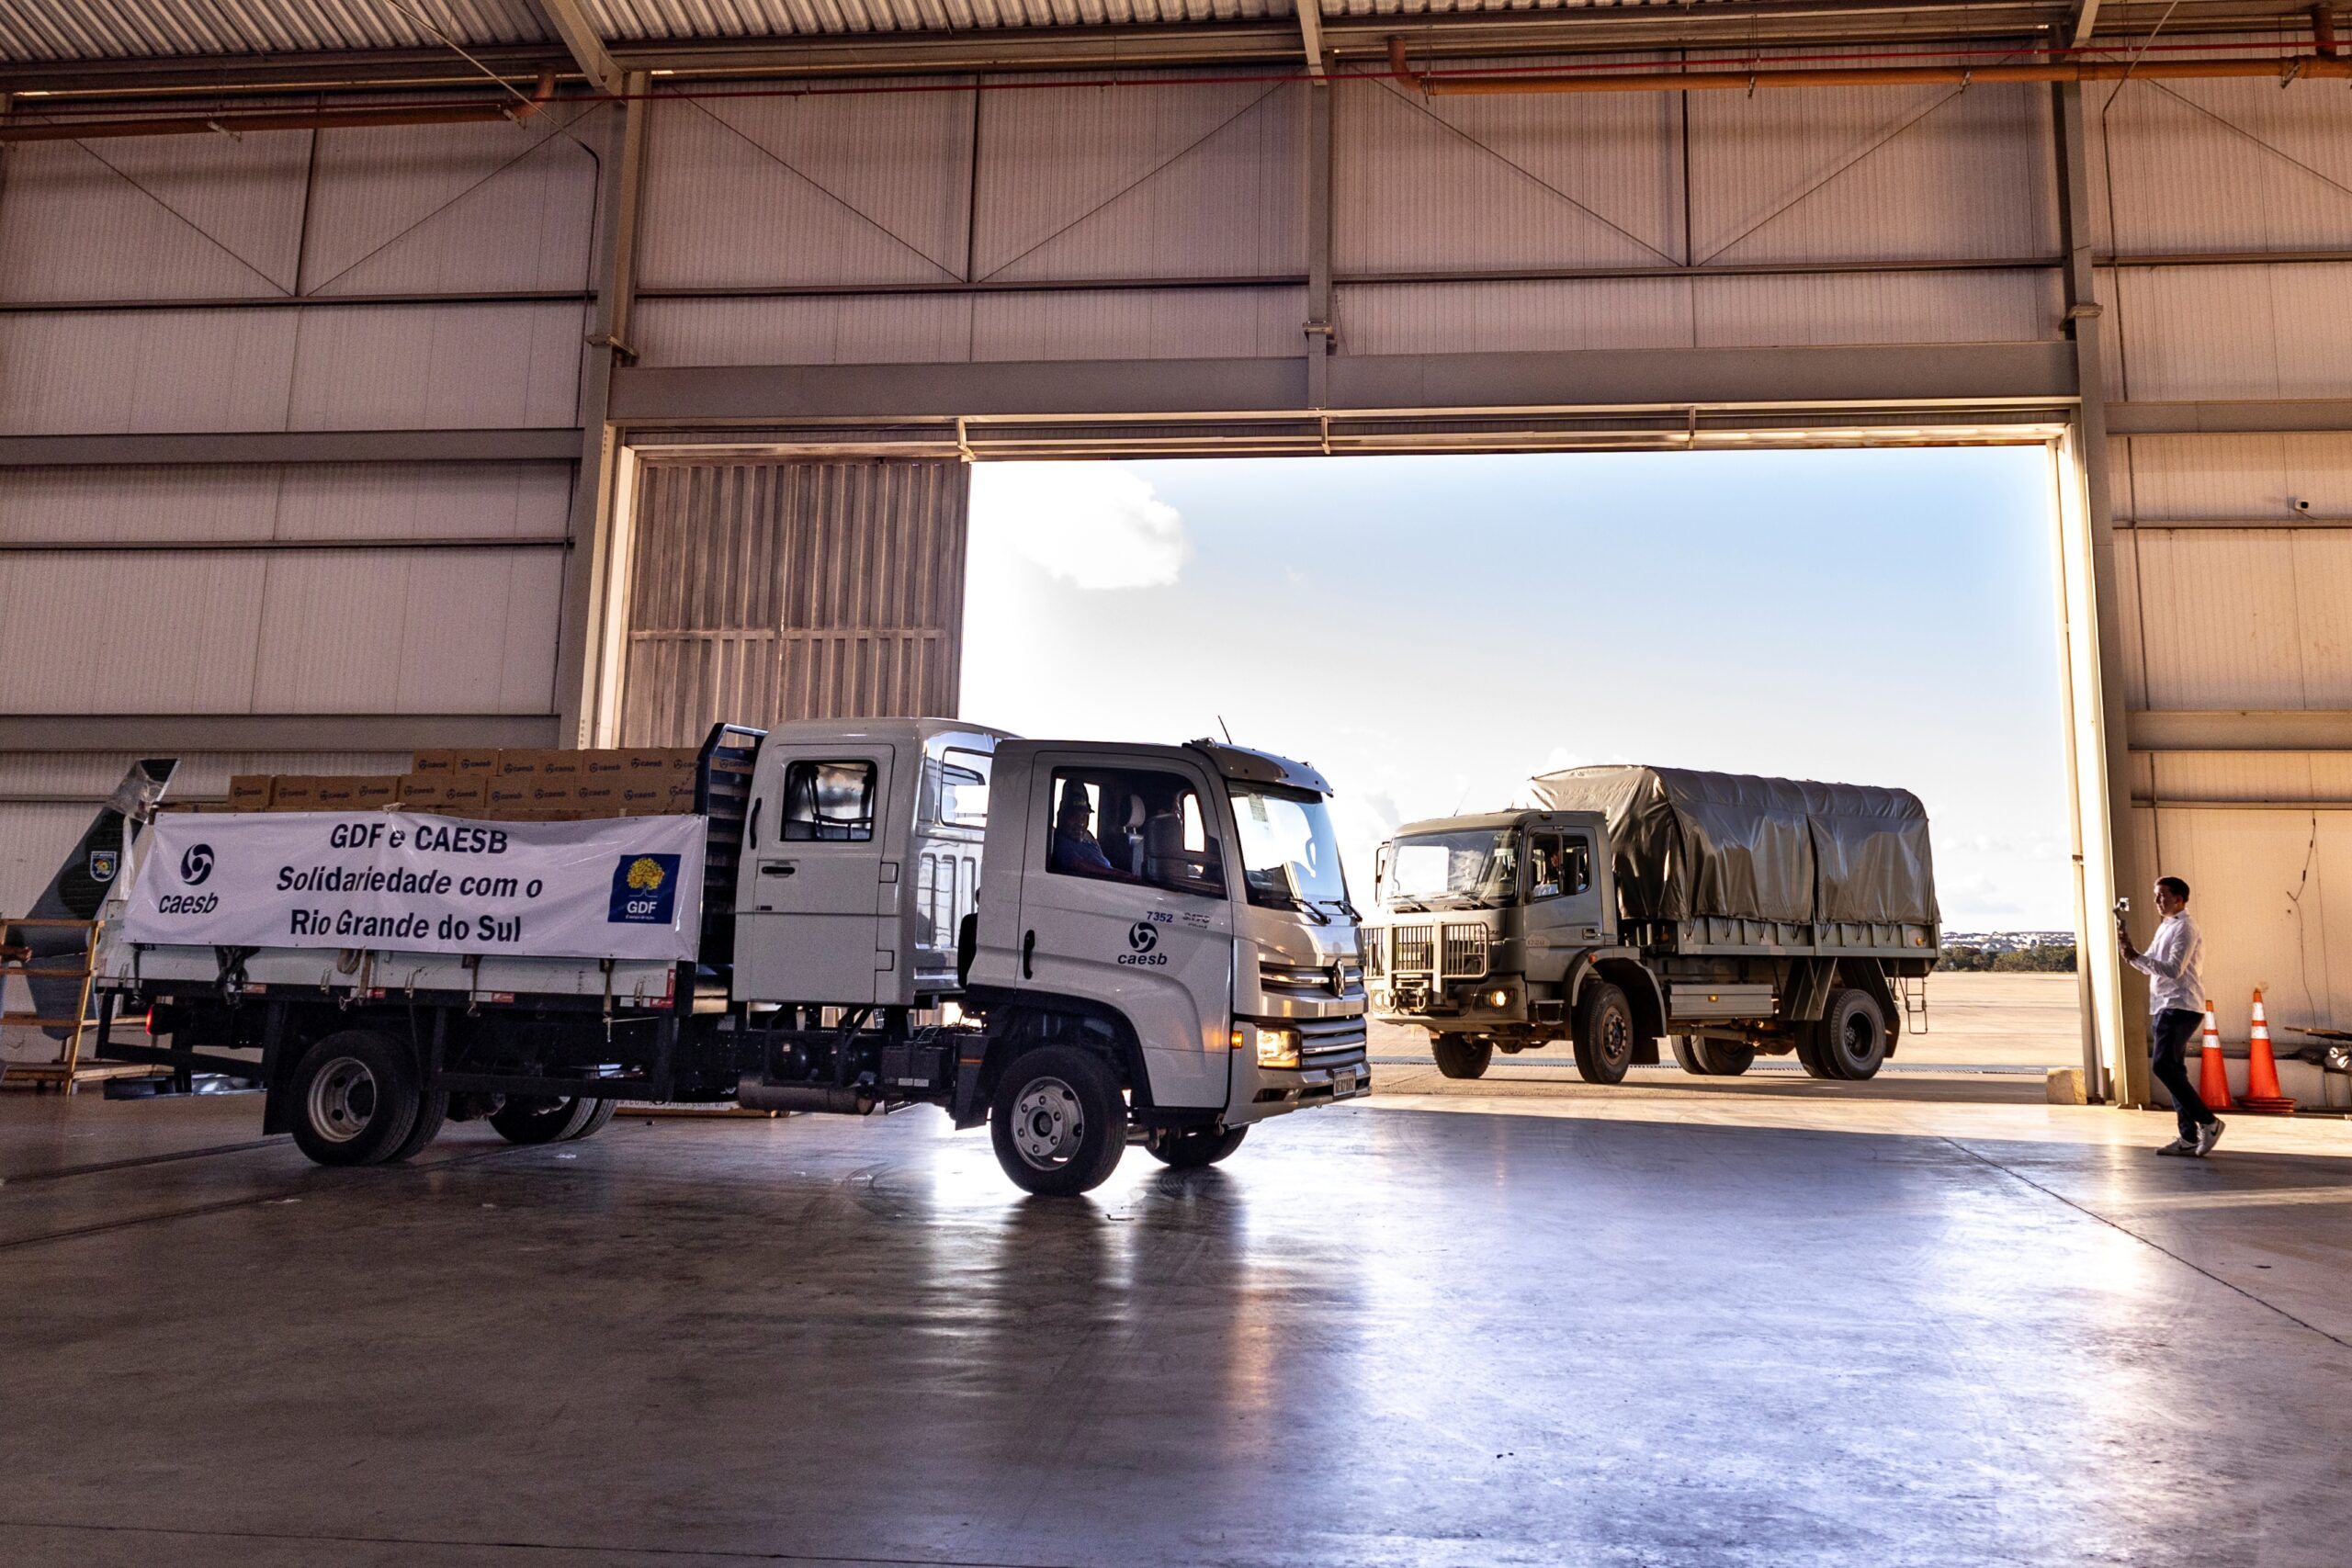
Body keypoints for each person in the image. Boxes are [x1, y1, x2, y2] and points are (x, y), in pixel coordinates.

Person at [2118, 875, 2224, 1157]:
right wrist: (2131, 954)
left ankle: (2208, 1122)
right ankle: (2188, 1137)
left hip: (2181, 1005)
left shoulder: (2186, 928)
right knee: (2173, 1070)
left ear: (2179, 899)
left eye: (2162, 896)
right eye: (2156, 896)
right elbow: (2151, 964)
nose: (2157, 901)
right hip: (2166, 1005)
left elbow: (2174, 969)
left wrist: (2136, 956)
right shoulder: (2166, 926)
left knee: (2163, 1066)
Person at [1050, 783, 1114, 876]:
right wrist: (1128, 877)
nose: (1081, 823)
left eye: (1085, 816)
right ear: (1061, 816)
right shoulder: (1060, 844)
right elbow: (1079, 866)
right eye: (1074, 815)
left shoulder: (1089, 842)